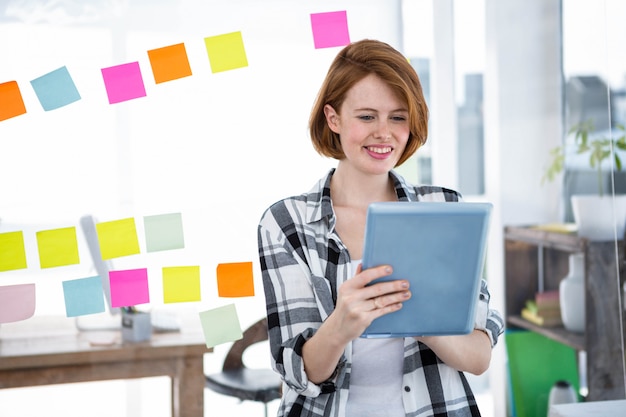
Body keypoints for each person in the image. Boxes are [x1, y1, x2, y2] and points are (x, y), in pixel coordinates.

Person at [257, 39, 504, 417]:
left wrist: (420, 319)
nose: (384, 133)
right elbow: (300, 372)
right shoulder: (287, 224)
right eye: (367, 116)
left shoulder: (445, 209)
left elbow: (478, 357)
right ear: (333, 118)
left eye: (398, 117)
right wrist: (342, 323)